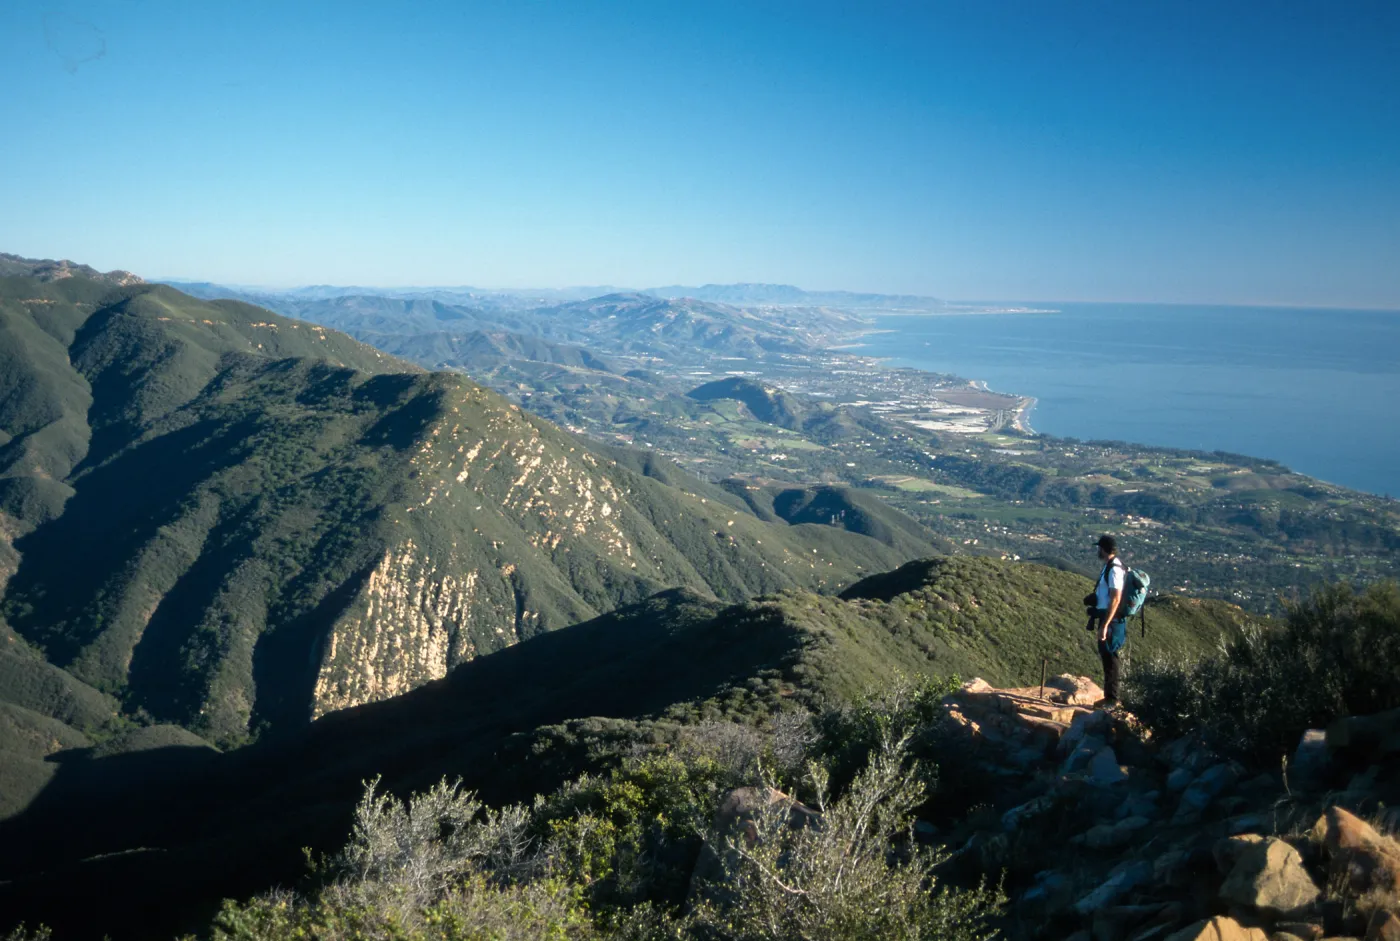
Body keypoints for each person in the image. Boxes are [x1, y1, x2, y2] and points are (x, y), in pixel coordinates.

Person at [1087, 534, 1128, 708]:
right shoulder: (1110, 566)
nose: (1098, 551)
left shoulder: (1114, 569)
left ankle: (1112, 699)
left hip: (1112, 620)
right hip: (1107, 617)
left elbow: (1115, 598)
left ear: (1103, 549)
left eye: (1099, 548)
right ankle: (1109, 697)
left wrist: (1105, 625)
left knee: (1111, 657)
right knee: (1107, 656)